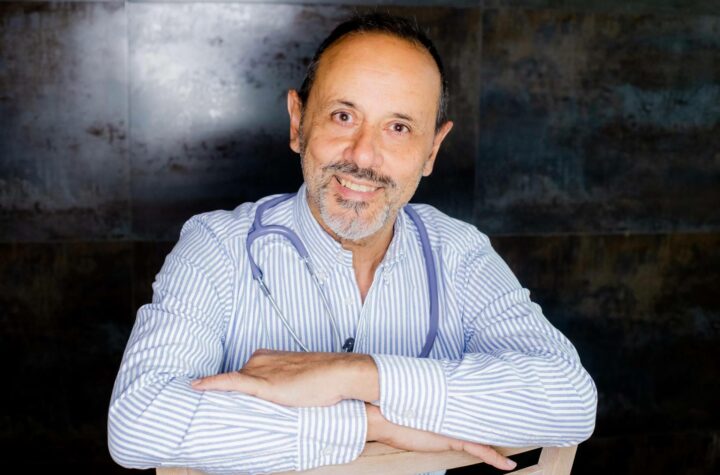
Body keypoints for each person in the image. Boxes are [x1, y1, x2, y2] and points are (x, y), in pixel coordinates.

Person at [108, 12, 597, 475]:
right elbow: (138, 421)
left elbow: (571, 400)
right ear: (298, 122)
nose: (364, 156)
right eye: (343, 116)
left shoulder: (459, 252)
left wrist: (352, 374)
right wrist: (372, 423)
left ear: (432, 150)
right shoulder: (217, 247)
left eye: (398, 128)